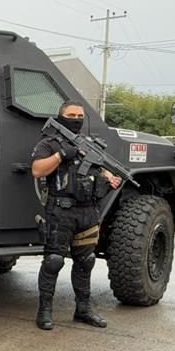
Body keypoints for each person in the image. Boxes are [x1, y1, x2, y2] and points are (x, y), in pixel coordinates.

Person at [30, 102, 122, 331]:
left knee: (86, 261)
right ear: (60, 117)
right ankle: (44, 312)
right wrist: (61, 155)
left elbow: (101, 168)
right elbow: (37, 170)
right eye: (71, 115)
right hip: (61, 210)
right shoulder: (49, 143)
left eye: (80, 116)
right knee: (54, 261)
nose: (76, 119)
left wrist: (110, 177)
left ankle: (83, 309)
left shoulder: (90, 145)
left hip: (88, 211)